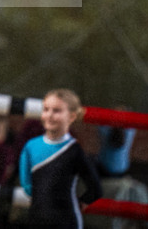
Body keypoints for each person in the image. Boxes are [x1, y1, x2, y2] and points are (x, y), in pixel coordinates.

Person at [18, 88, 102, 229]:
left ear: (71, 117)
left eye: (56, 111)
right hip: (36, 220)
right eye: (46, 109)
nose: (49, 115)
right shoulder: (30, 146)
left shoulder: (74, 151)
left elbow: (95, 189)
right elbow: (26, 185)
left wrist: (80, 203)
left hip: (66, 222)